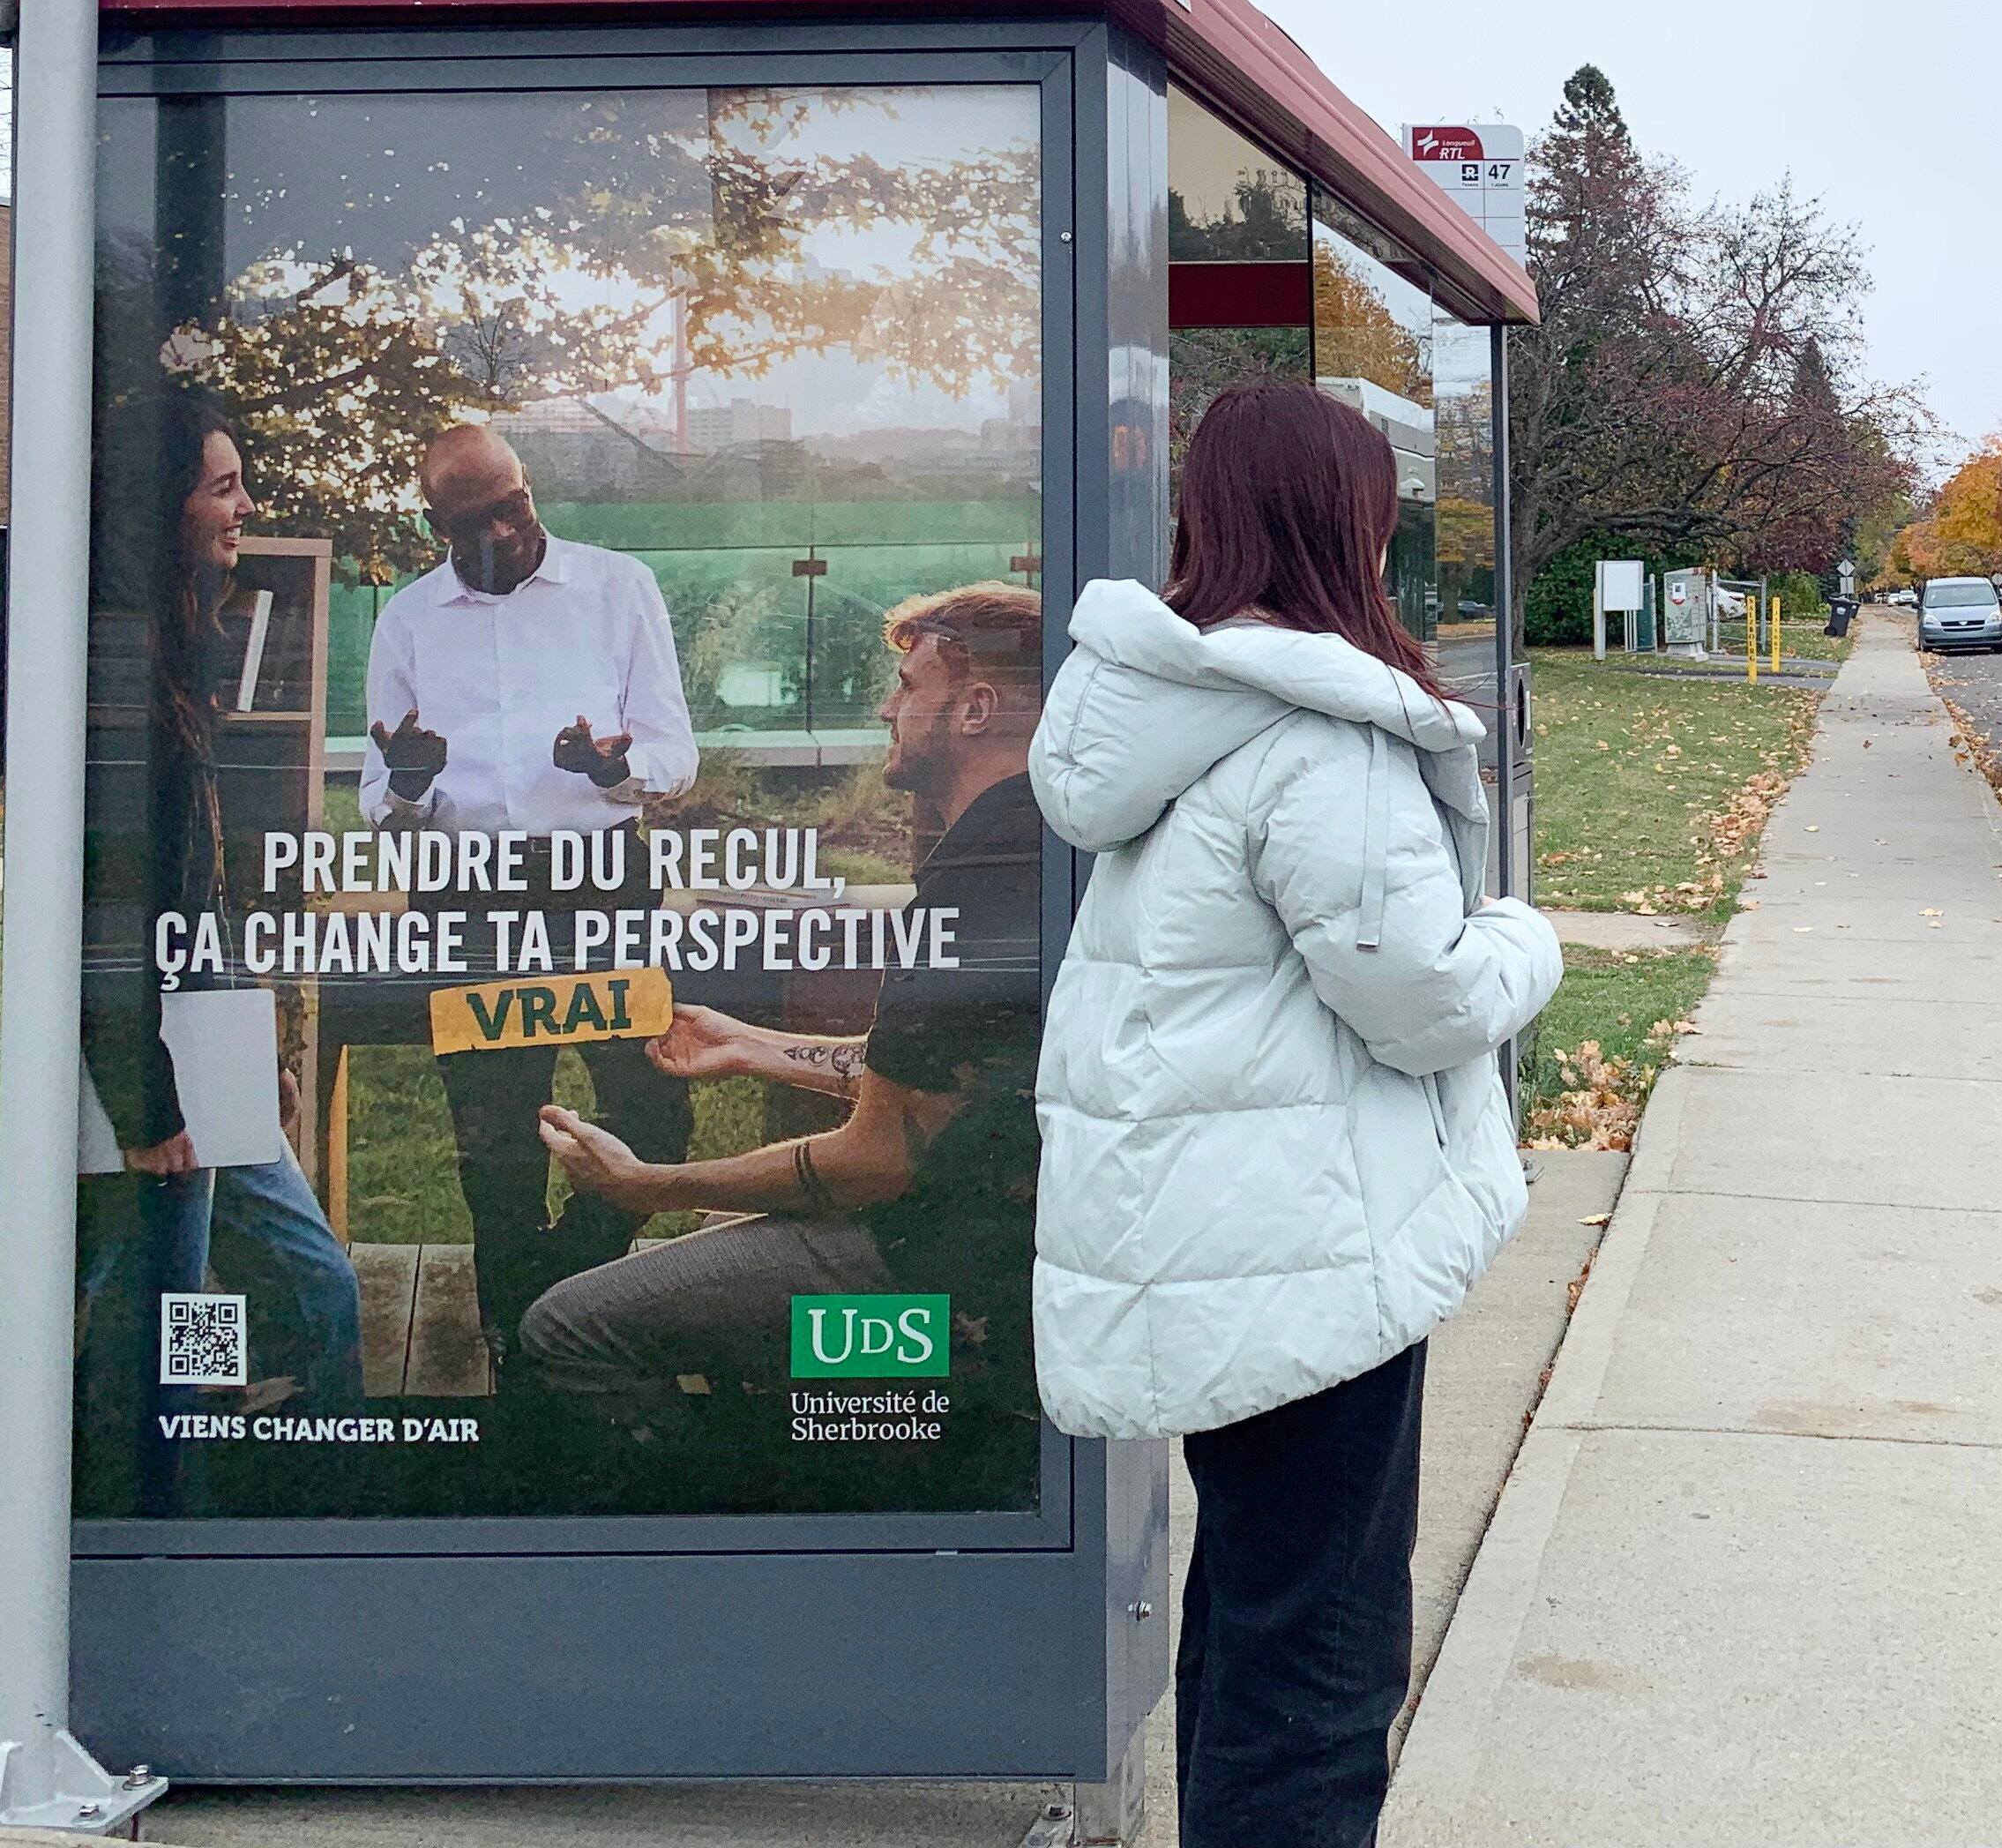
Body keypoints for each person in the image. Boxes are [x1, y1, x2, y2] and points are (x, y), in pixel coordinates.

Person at [1028, 382, 1560, 1848]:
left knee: (1251, 1622)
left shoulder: (1178, 715)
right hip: (1307, 1250)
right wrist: (1529, 934)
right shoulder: (1321, 733)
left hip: (1218, 1239)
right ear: (1346, 523)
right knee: (1317, 1670)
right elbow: (1423, 993)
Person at [519, 584, 1046, 1427]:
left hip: (939, 1294)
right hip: (1011, 1257)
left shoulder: (974, 883)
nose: (886, 706)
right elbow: (951, 1087)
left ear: (976, 709)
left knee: (568, 1327)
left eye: (910, 688)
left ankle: (713, 1534)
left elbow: (875, 1163)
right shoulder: (1040, 845)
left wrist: (645, 1185)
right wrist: (756, 1046)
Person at [361, 423, 698, 1380]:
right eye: (475, 522)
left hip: (599, 879)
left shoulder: (616, 587)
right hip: (469, 896)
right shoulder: (410, 619)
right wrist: (414, 782)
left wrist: (612, 768)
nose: (503, 535)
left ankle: (568, 1279)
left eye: (513, 508)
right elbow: (380, 801)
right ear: (436, 525)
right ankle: (520, 1332)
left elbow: (675, 754)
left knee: (650, 1104)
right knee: (494, 1127)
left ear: (529, 489)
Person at [78, 387, 363, 1498]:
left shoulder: (174, 651)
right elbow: (111, 915)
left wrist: (256, 1056)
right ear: (165, 512)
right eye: (225, 486)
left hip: (203, 1038)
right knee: (172, 1336)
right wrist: (156, 1111)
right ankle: (172, 1517)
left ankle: (295, 1500)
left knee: (319, 1289)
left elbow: (192, 897)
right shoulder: (117, 673)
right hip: (155, 1070)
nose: (247, 504)